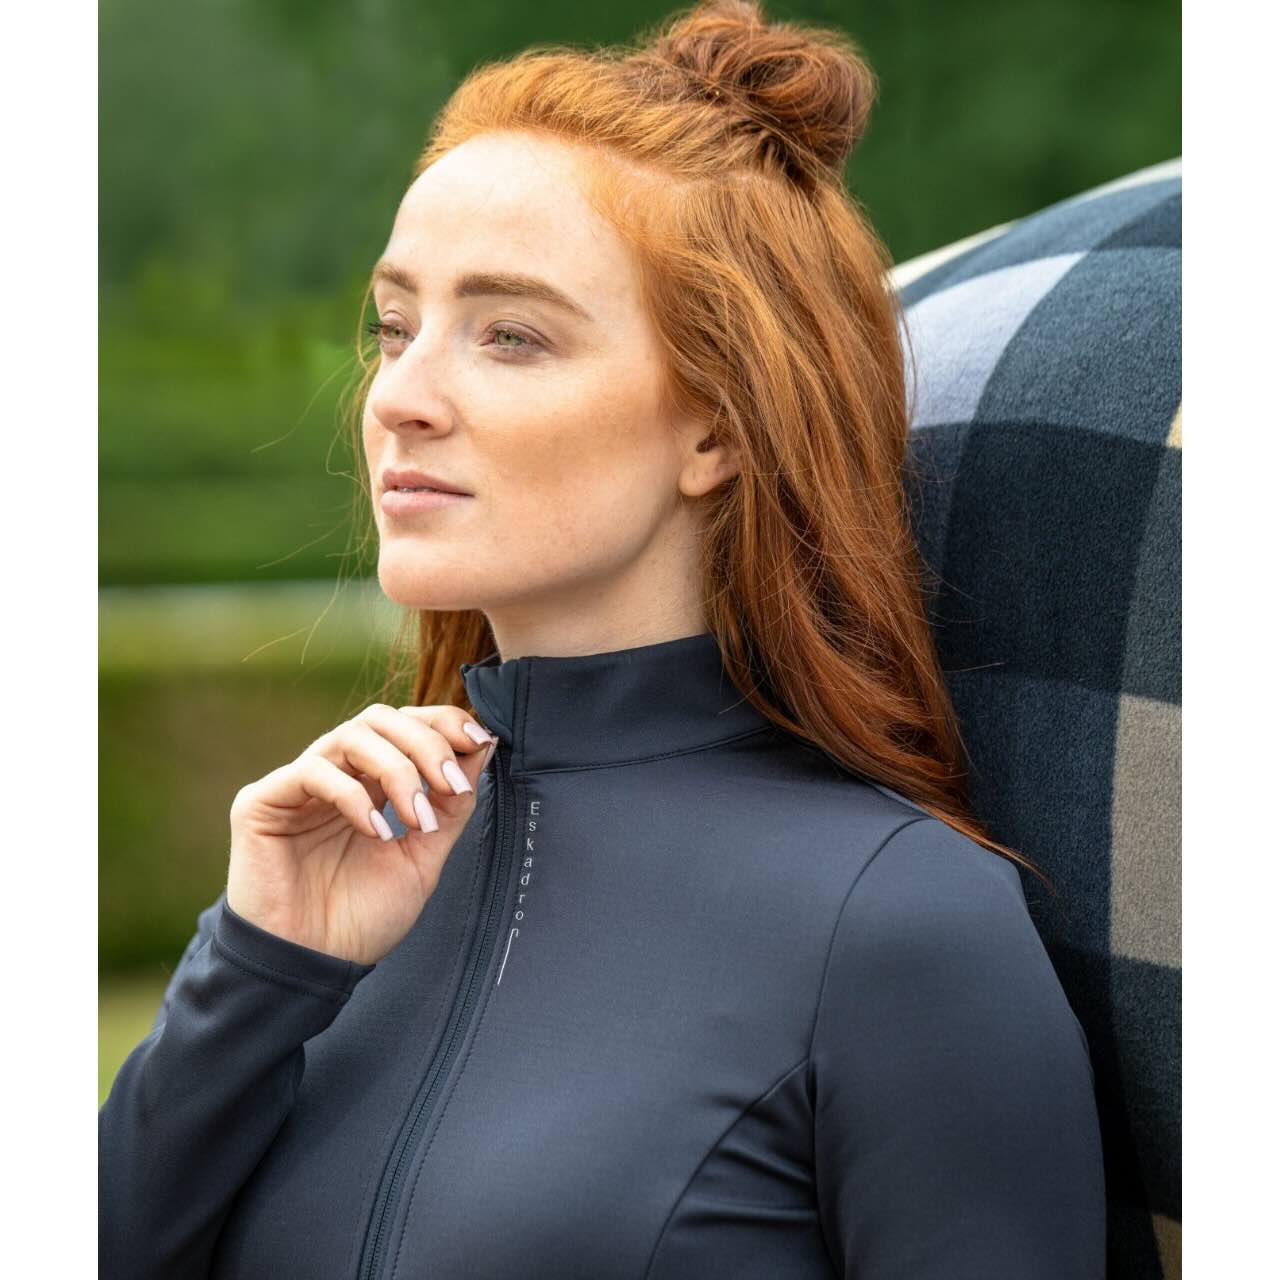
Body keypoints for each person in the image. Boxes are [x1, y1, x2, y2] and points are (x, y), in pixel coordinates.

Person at [98, 1, 1106, 1276]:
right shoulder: (360, 859)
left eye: (510, 334)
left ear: (717, 428)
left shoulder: (903, 923)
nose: (399, 395)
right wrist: (258, 962)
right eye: (395, 325)